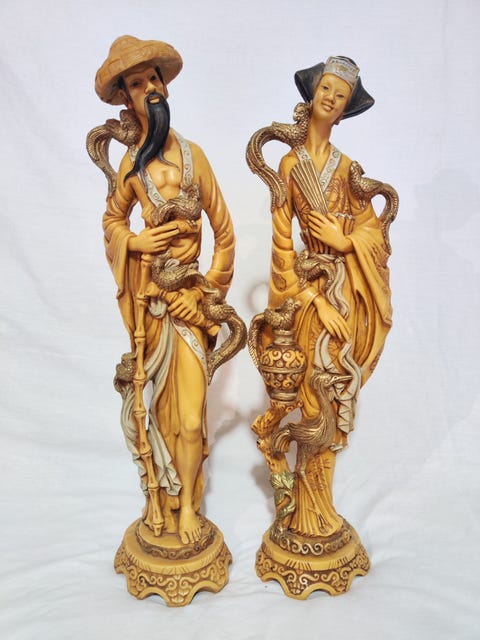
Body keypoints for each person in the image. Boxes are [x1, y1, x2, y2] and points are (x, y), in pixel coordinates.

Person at [95, 36, 235, 545]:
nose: (150, 88)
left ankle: (191, 508)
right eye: (137, 84)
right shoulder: (131, 167)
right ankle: (167, 499)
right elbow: (112, 222)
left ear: (165, 86)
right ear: (126, 98)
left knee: (191, 419)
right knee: (157, 414)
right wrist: (134, 242)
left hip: (190, 304)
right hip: (152, 308)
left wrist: (206, 295)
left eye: (153, 78)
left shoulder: (195, 156)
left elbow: (225, 233)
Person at [267, 57, 393, 537]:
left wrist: (346, 241)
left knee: (336, 391)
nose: (331, 98)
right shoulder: (289, 165)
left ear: (343, 111)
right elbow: (283, 247)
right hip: (312, 299)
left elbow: (372, 233)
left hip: (348, 295)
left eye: (341, 96)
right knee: (312, 398)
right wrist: (312, 299)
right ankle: (304, 508)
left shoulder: (348, 169)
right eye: (326, 88)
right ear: (313, 93)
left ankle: (320, 507)